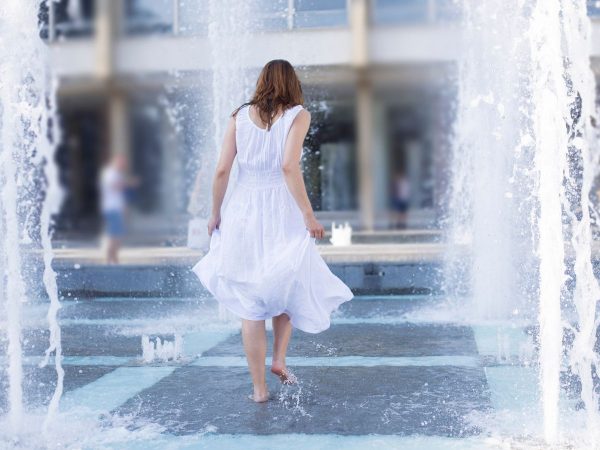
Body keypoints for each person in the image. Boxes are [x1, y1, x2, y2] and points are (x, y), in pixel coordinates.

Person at [192, 59, 353, 403]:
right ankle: (279, 358)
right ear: (292, 83)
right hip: (282, 210)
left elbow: (222, 170)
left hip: (243, 210)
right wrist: (309, 215)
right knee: (286, 280)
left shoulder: (238, 117)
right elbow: (288, 166)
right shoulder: (298, 114)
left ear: (262, 81)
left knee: (250, 306)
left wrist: (215, 213)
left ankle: (259, 390)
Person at [99, 154, 134, 265]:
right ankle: (110, 259)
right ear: (116, 162)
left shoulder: (117, 174)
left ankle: (113, 258)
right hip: (112, 208)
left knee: (117, 234)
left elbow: (120, 195)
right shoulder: (110, 173)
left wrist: (124, 209)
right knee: (114, 234)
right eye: (122, 163)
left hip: (116, 208)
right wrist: (128, 183)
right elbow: (114, 186)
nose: (124, 166)